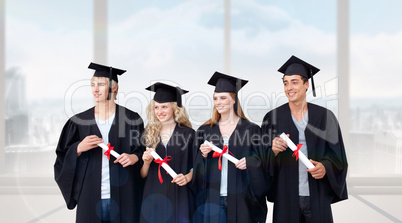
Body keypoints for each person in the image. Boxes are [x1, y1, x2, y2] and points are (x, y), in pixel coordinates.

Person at [261, 55, 348, 223]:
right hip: (285, 196)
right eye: (285, 83)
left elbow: (339, 157)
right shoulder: (272, 118)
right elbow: (260, 159)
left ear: (306, 84)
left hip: (317, 196)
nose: (289, 88)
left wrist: (325, 166)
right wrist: (272, 151)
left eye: (294, 82)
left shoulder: (324, 117)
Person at [54, 62, 145, 223]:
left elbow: (143, 151)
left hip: (125, 196)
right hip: (90, 195)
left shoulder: (132, 119)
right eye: (92, 85)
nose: (95, 89)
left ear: (114, 87)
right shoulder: (79, 122)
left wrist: (135, 157)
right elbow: (62, 156)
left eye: (101, 84)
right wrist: (78, 148)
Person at [193, 72, 266, 223]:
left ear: (234, 99)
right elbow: (196, 166)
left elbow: (263, 160)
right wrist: (203, 155)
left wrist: (250, 161)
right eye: (215, 98)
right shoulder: (205, 130)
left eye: (223, 97)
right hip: (213, 198)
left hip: (242, 199)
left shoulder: (251, 129)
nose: (218, 102)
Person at [140, 82, 196, 223]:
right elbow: (142, 174)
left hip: (179, 194)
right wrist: (146, 163)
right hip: (153, 195)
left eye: (164, 107)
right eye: (156, 107)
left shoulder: (189, 134)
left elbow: (199, 166)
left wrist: (188, 177)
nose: (160, 111)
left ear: (175, 108)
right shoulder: (148, 135)